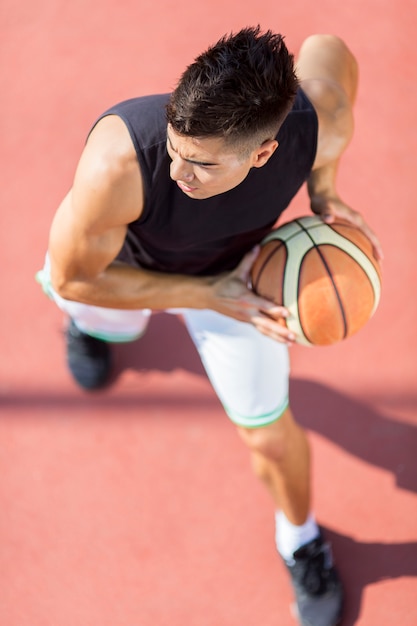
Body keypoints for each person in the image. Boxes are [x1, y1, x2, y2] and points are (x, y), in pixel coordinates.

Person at [37, 26, 382, 626]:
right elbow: (73, 277)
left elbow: (330, 48)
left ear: (263, 153)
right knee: (93, 312)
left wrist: (325, 188)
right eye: (174, 147)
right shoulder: (119, 163)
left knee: (270, 435)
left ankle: (299, 540)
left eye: (199, 163)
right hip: (118, 271)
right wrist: (203, 295)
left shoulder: (315, 120)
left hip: (236, 275)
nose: (176, 171)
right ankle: (95, 331)